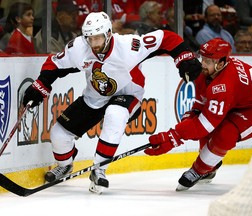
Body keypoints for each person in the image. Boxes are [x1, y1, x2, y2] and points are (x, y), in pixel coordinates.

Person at [22, 11, 202, 194]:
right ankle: (65, 165)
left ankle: (99, 170)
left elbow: (166, 38)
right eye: (89, 39)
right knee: (59, 134)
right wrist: (40, 85)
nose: (94, 44)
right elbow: (55, 64)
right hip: (95, 97)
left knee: (115, 114)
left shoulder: (129, 46)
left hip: (128, 94)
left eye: (97, 38)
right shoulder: (78, 47)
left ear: (108, 34)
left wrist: (184, 58)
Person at [144, 38, 252, 191]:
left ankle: (199, 170)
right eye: (203, 59)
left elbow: (205, 126)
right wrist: (184, 124)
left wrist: (174, 136)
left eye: (208, 61)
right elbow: (201, 108)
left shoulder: (224, 86)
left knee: (225, 134)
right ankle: (211, 166)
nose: (202, 64)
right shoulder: (209, 73)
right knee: (197, 119)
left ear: (221, 64)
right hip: (240, 102)